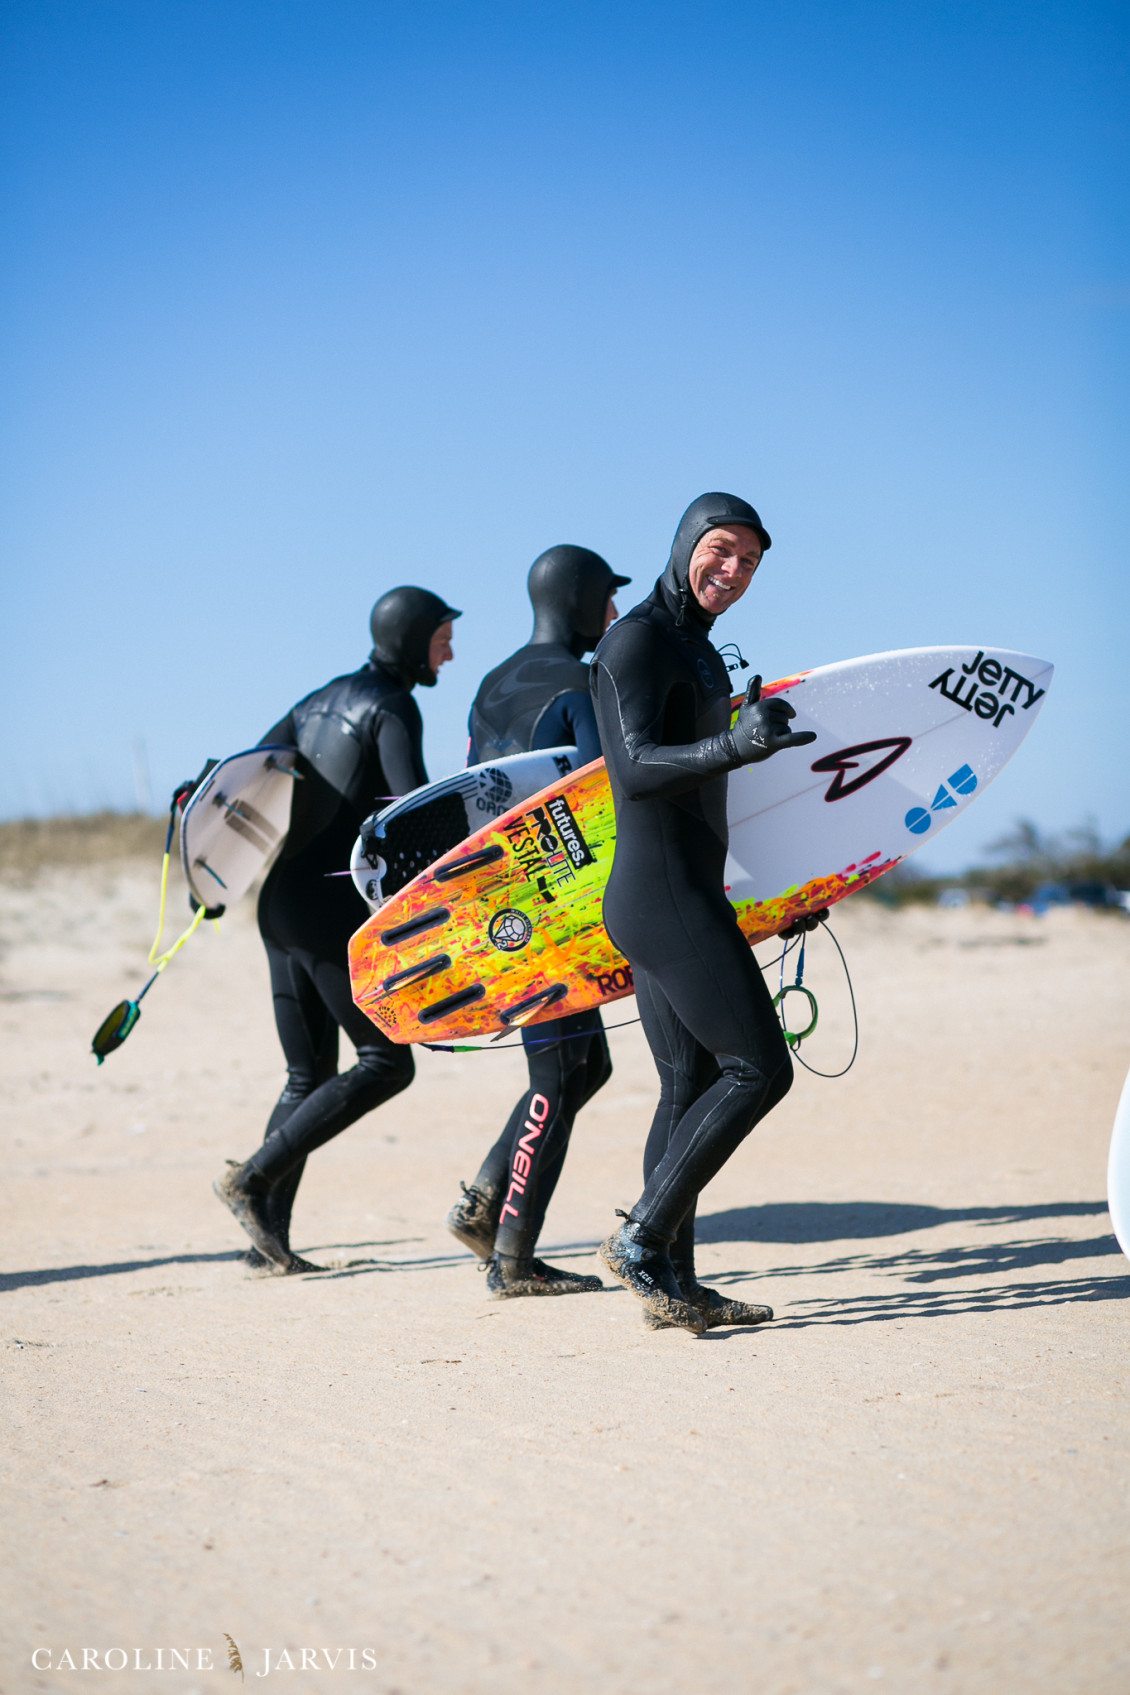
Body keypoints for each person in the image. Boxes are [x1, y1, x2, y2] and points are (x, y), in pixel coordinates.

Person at [590, 494, 817, 1334]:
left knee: (687, 1086)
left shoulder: (697, 647)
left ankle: (672, 1284)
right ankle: (641, 1242)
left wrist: (790, 891)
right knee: (759, 1069)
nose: (733, 569)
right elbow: (635, 767)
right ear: (687, 542)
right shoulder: (638, 639)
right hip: (663, 895)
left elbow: (714, 791)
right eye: (721, 549)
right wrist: (735, 743)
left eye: (749, 561)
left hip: (682, 889)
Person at [213, 586, 459, 1272]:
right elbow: (413, 813)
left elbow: (248, 773)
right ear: (411, 638)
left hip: (277, 901)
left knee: (306, 1075)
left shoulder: (316, 699)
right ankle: (251, 1178)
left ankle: (266, 1243)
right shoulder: (392, 706)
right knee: (386, 1062)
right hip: (327, 910)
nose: (449, 653)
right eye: (442, 639)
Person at [446, 545, 630, 1298]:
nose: (613, 615)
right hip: (555, 907)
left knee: (588, 1065)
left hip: (496, 898)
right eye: (608, 598)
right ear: (582, 599)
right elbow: (601, 795)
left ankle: (486, 1203)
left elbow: (469, 787)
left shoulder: (489, 685)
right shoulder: (581, 681)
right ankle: (513, 1259)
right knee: (557, 1074)